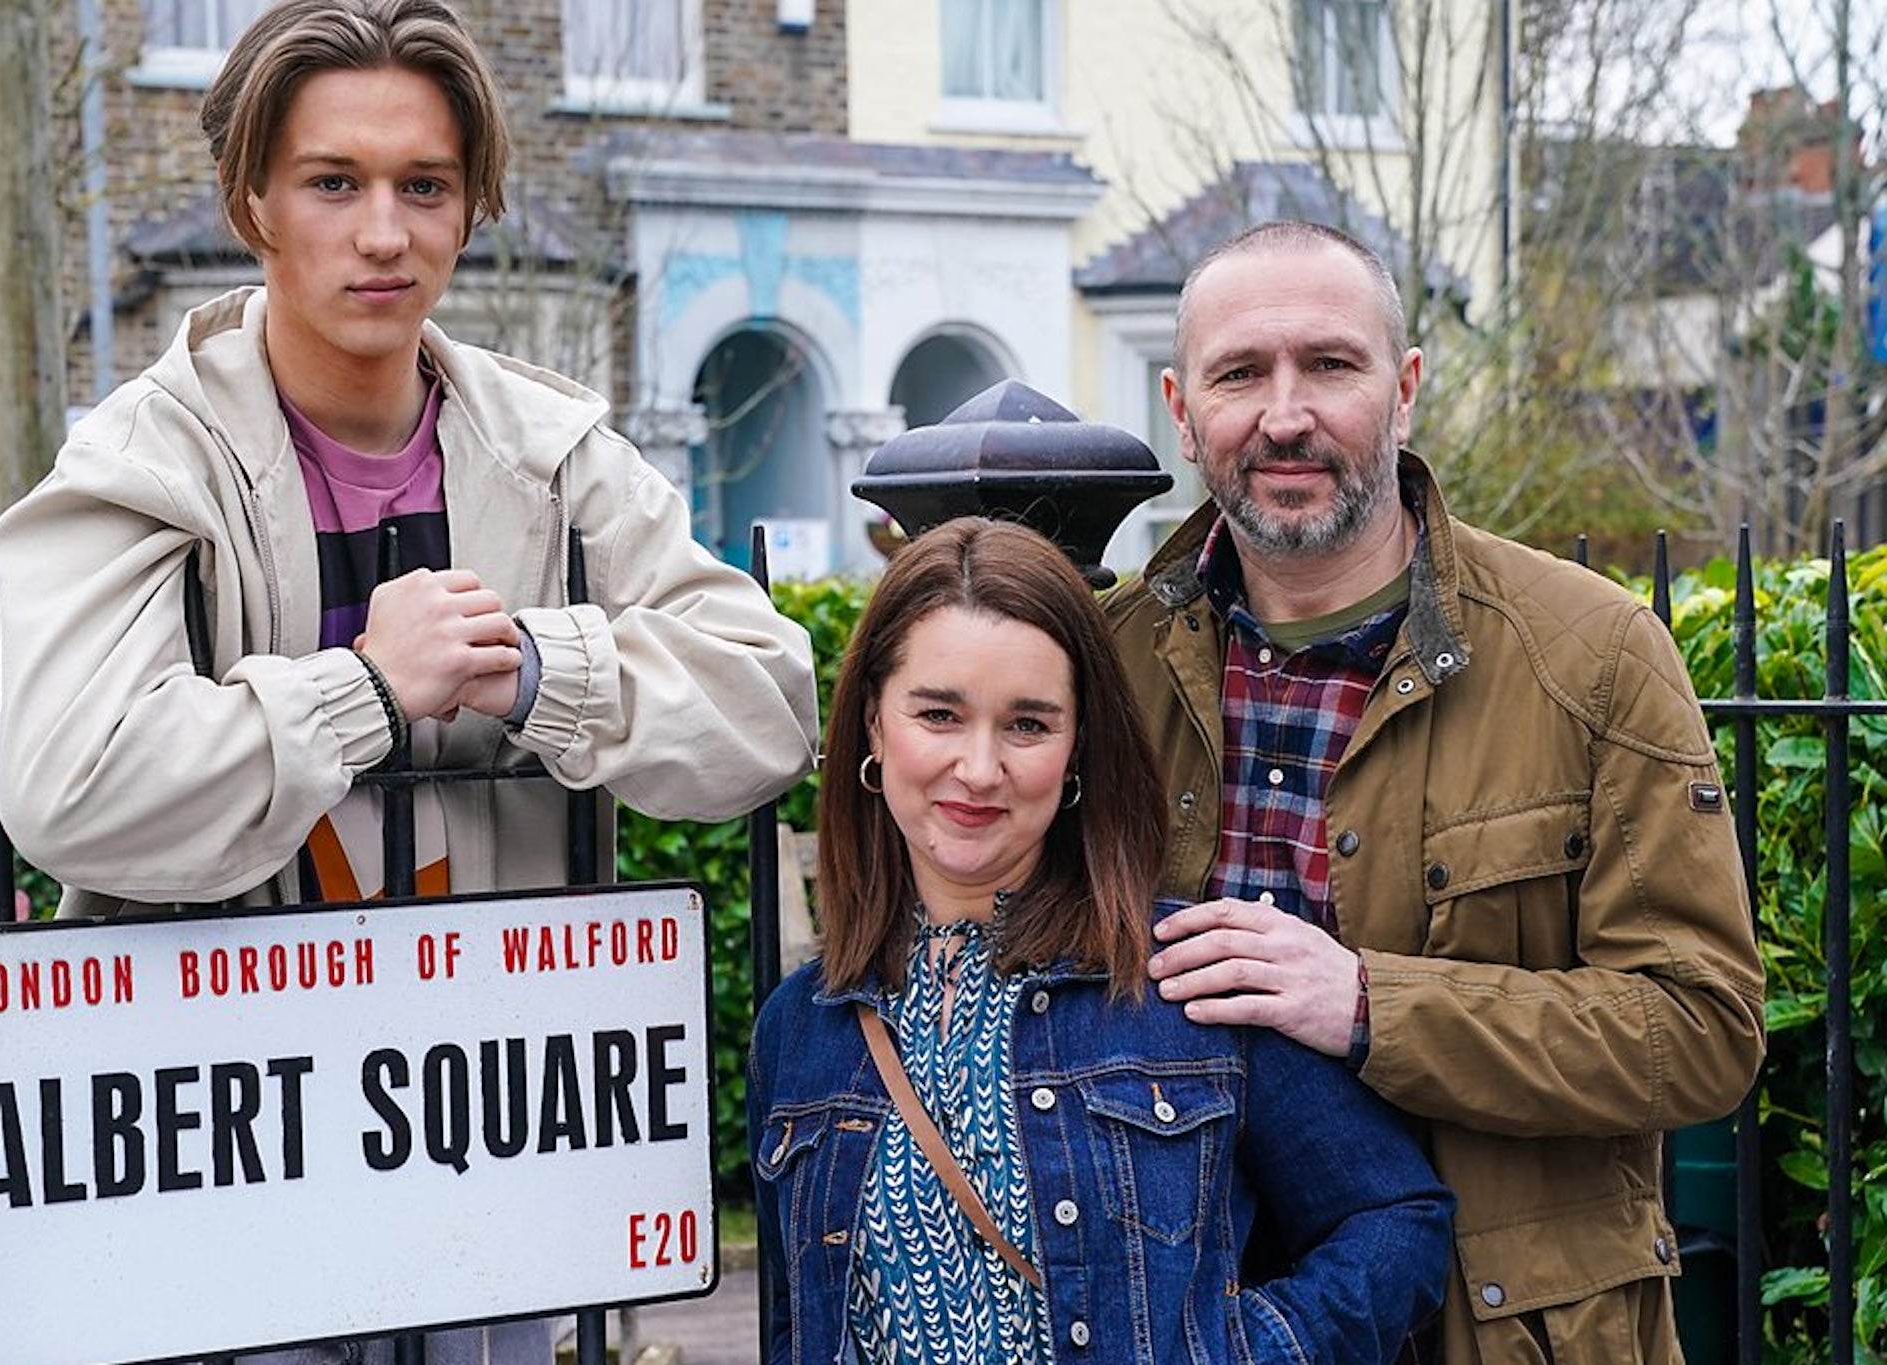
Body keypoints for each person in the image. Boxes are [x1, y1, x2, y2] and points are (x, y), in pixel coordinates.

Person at [0, 0, 817, 1359]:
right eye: (334, 183)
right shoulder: (145, 461)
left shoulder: (553, 455)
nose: (384, 234)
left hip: (485, 1127)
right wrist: (365, 690)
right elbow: (68, 787)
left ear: (470, 205)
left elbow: (769, 706)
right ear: (252, 202)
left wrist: (535, 665)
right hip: (222, 1139)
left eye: (424, 186)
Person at [1111, 220, 1766, 1363]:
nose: (1283, 416)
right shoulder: (1104, 667)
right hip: (1187, 1326)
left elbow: (1699, 1029)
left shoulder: (1591, 656)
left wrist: (1370, 1005)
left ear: (1404, 388)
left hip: (1503, 1332)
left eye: (1329, 364)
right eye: (1238, 374)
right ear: (1179, 408)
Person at [749, 516, 1453, 1364]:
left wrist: (1244, 1350)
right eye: (938, 714)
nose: (979, 768)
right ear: (872, 722)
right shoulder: (801, 1029)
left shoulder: (1188, 975)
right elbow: (797, 1322)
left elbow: (1396, 1220)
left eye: (1027, 725)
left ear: (1078, 745)